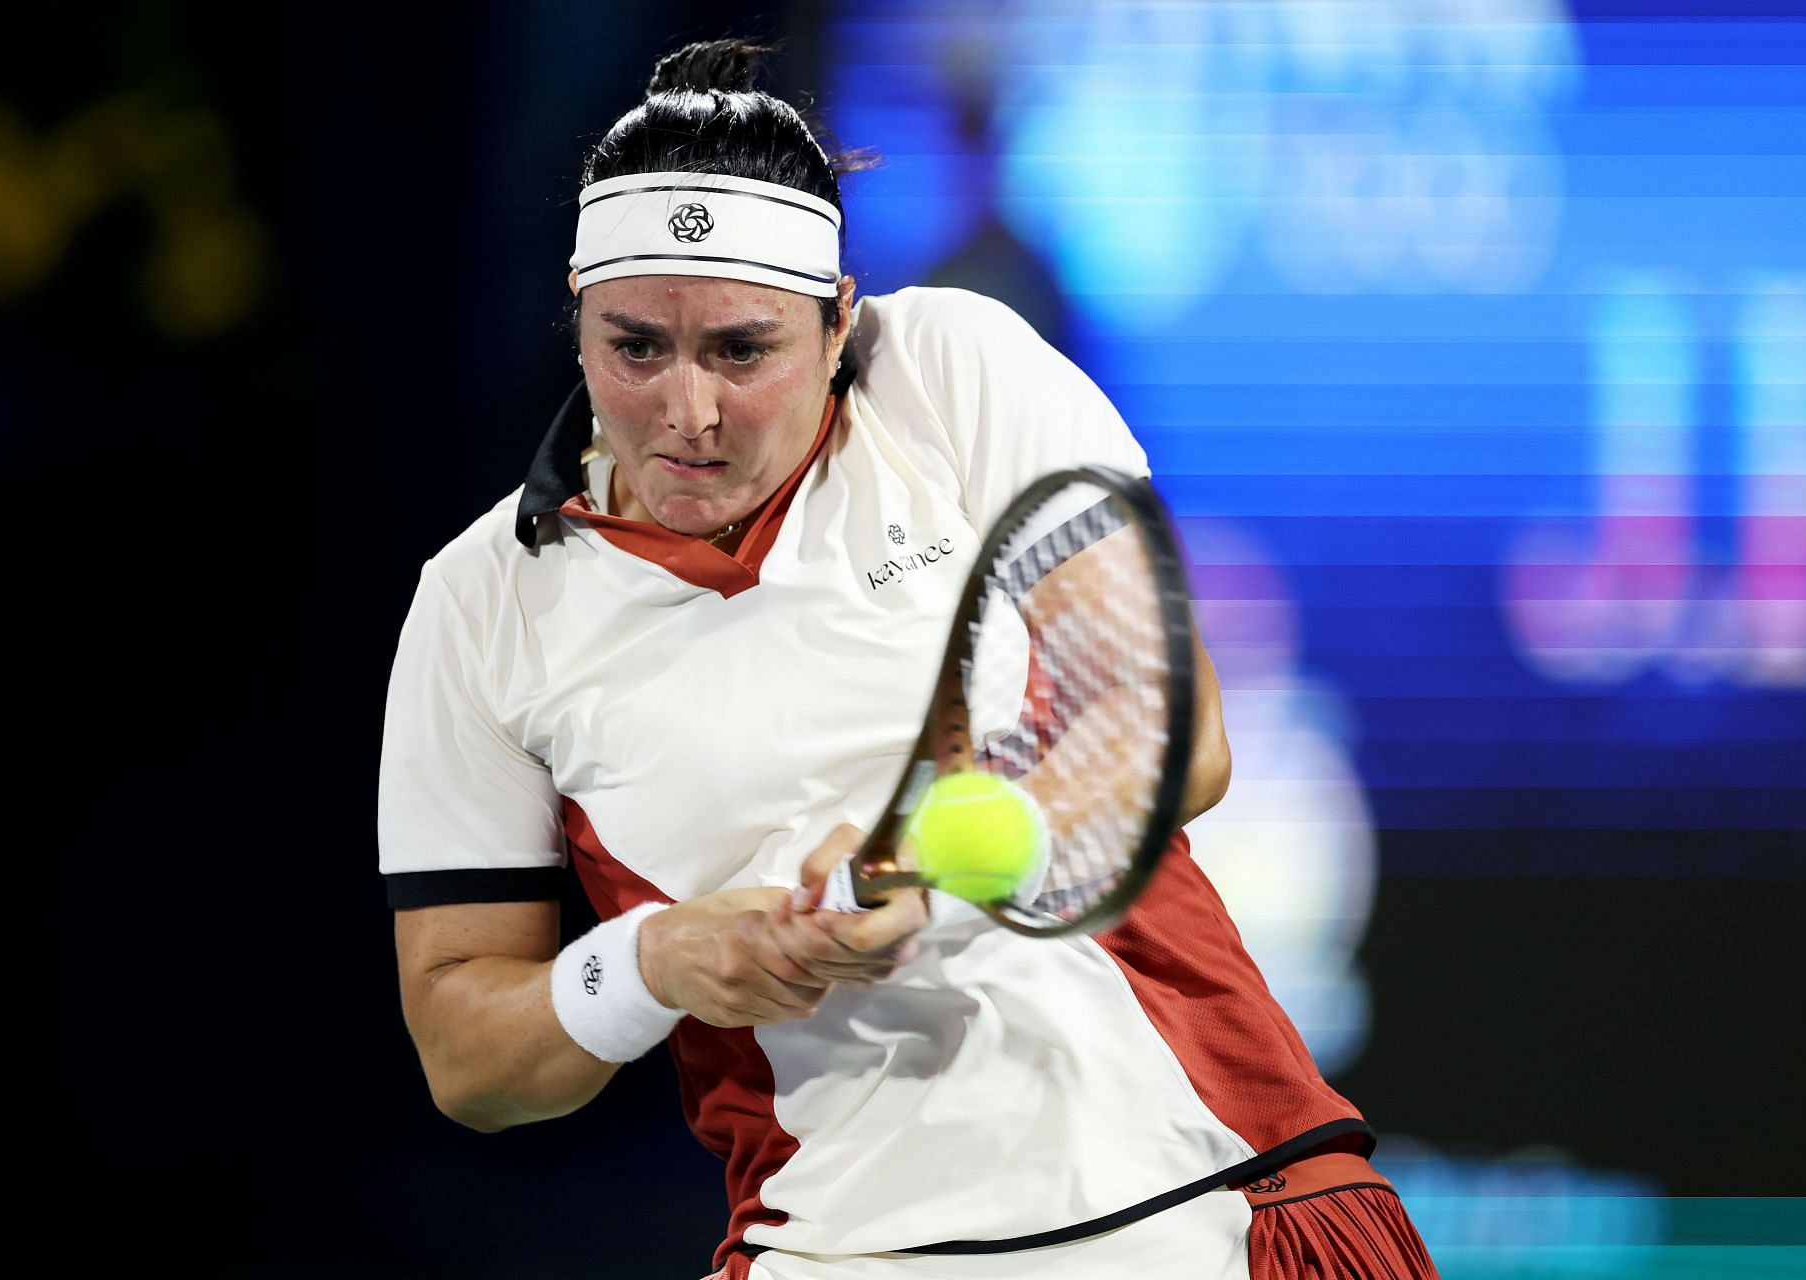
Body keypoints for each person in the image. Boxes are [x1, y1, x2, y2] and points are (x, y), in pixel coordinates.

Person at [379, 38, 1438, 1280]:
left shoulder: (953, 367)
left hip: (1207, 1196)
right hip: (827, 1249)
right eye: (634, 346)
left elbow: (1175, 731)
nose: (687, 410)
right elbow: (468, 1055)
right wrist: (656, 961)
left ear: (838, 322)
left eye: (740, 349)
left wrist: (924, 861)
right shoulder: (474, 603)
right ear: (576, 307)